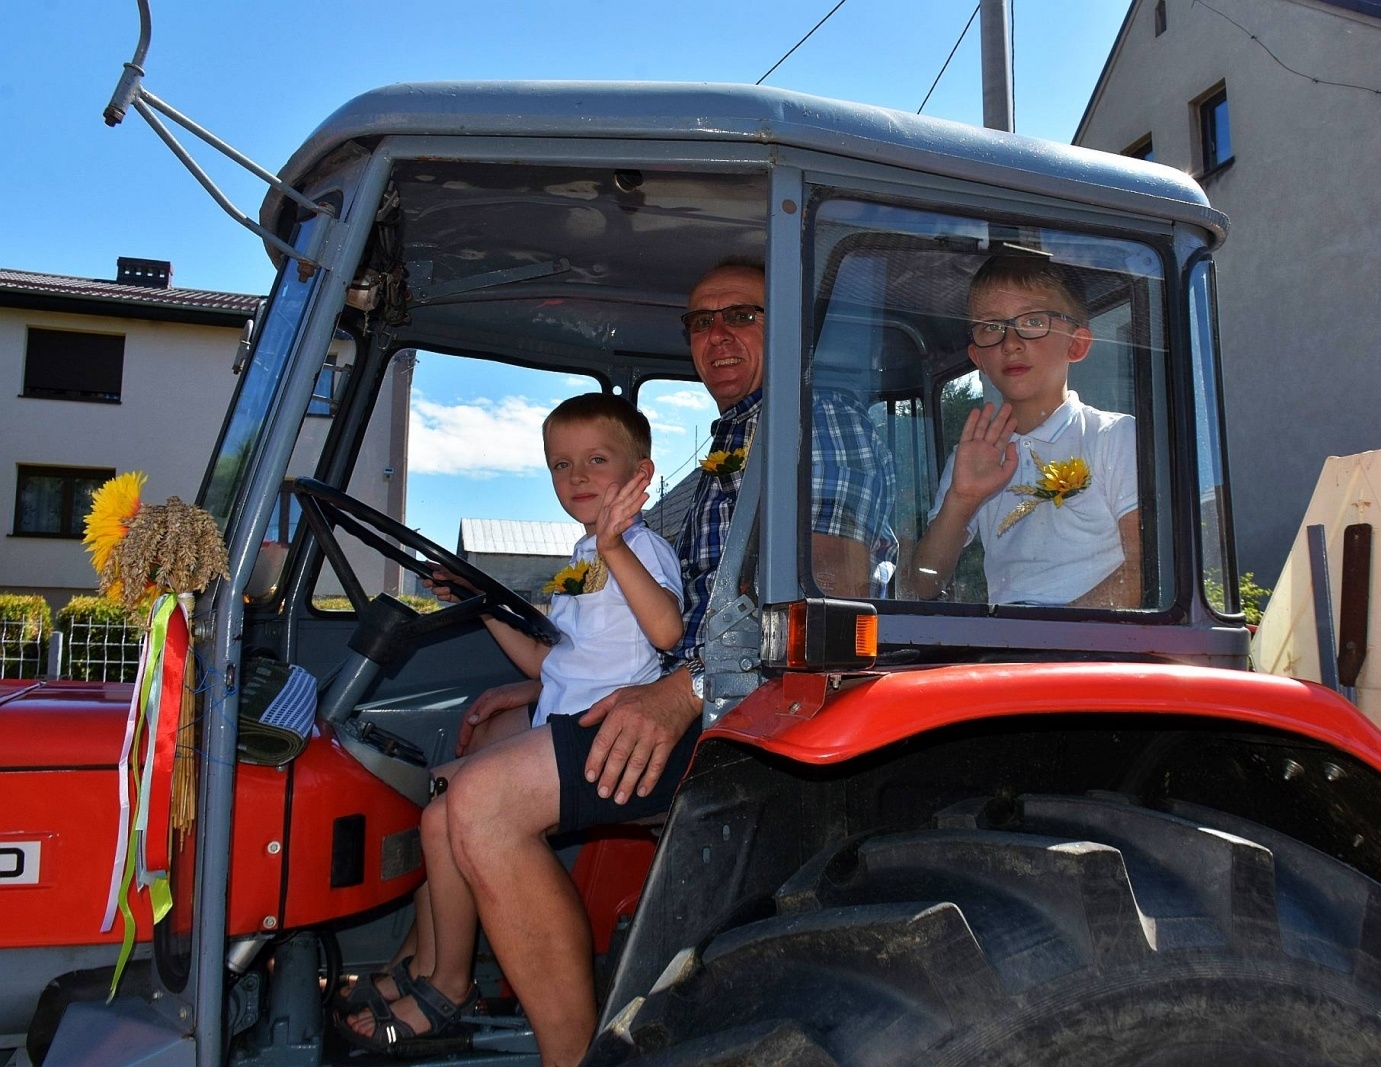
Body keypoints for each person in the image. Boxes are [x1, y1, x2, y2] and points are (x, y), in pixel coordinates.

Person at [345, 261, 891, 1067]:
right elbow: (658, 621)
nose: (716, 336)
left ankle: (566, 1053)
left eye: (743, 315)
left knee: (485, 801)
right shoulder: (736, 439)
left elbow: (827, 600)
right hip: (706, 682)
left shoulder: (817, 424)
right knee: (475, 749)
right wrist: (545, 677)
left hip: (760, 709)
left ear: (789, 331)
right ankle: (443, 967)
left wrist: (681, 691)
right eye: (701, 323)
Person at [338, 393, 683, 1055]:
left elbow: (667, 629)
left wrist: (615, 544)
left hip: (615, 737)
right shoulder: (588, 556)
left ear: (641, 473)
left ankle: (449, 982)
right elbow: (553, 658)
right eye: (559, 465)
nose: (576, 476)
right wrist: (484, 606)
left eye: (596, 460)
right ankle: (433, 971)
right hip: (567, 719)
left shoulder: (639, 548)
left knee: (461, 799)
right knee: (440, 796)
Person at [909, 254, 1141, 608]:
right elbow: (923, 584)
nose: (1010, 342)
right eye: (991, 327)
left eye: (1032, 321)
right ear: (979, 358)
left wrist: (1052, 637)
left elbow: (1144, 572)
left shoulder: (1113, 437)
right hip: (1008, 648)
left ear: (1076, 345)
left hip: (1098, 649)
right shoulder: (974, 456)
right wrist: (962, 500)